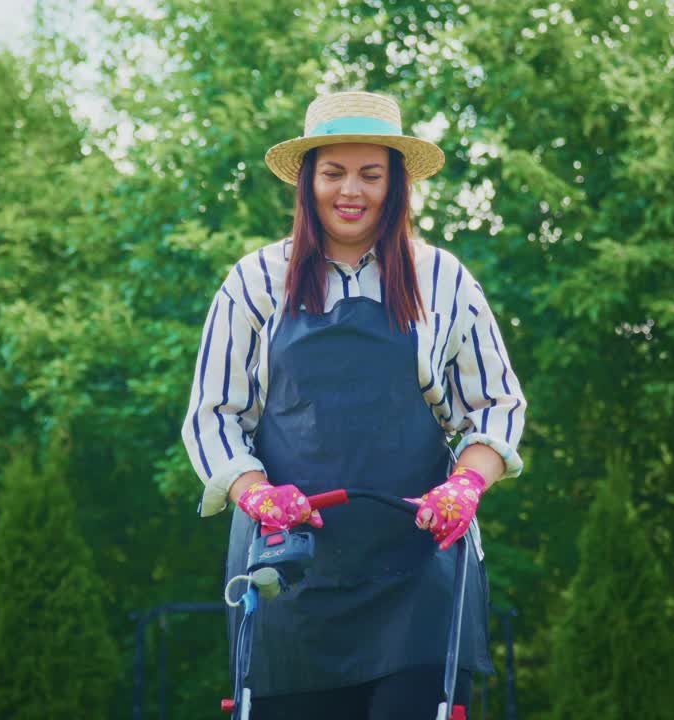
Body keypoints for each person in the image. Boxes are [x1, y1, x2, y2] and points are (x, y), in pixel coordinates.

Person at [181, 91, 526, 720]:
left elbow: (497, 406)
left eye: (371, 174)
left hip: (419, 570)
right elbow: (213, 416)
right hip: (289, 570)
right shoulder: (254, 282)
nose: (352, 190)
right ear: (308, 180)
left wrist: (468, 485)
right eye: (334, 172)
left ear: (395, 184)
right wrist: (256, 493)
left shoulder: (443, 278)